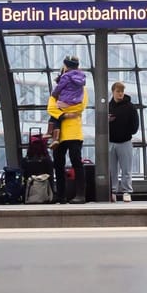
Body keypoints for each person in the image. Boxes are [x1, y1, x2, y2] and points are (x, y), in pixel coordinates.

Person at [47, 58, 88, 204]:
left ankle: (80, 195)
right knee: (58, 162)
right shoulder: (58, 88)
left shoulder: (81, 88)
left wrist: (61, 110)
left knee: (76, 161)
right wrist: (66, 114)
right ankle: (61, 195)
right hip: (60, 132)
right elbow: (50, 107)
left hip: (74, 131)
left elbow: (81, 106)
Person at [107, 81, 138, 203]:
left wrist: (127, 132)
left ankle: (126, 191)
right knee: (112, 169)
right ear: (113, 92)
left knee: (126, 169)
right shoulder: (108, 107)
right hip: (111, 142)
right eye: (118, 91)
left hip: (125, 141)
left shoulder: (130, 107)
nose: (120, 94)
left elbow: (135, 125)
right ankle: (113, 191)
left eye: (122, 91)